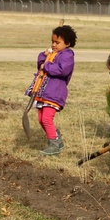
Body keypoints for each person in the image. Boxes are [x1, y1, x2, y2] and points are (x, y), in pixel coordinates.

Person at [28, 25, 77, 156]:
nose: (54, 45)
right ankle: (56, 138)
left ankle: (53, 144)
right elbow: (41, 65)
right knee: (40, 119)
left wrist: (47, 65)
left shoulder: (67, 55)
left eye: (57, 42)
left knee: (46, 119)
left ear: (68, 43)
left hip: (54, 93)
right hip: (43, 91)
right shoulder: (52, 54)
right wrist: (43, 56)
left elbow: (62, 69)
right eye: (52, 42)